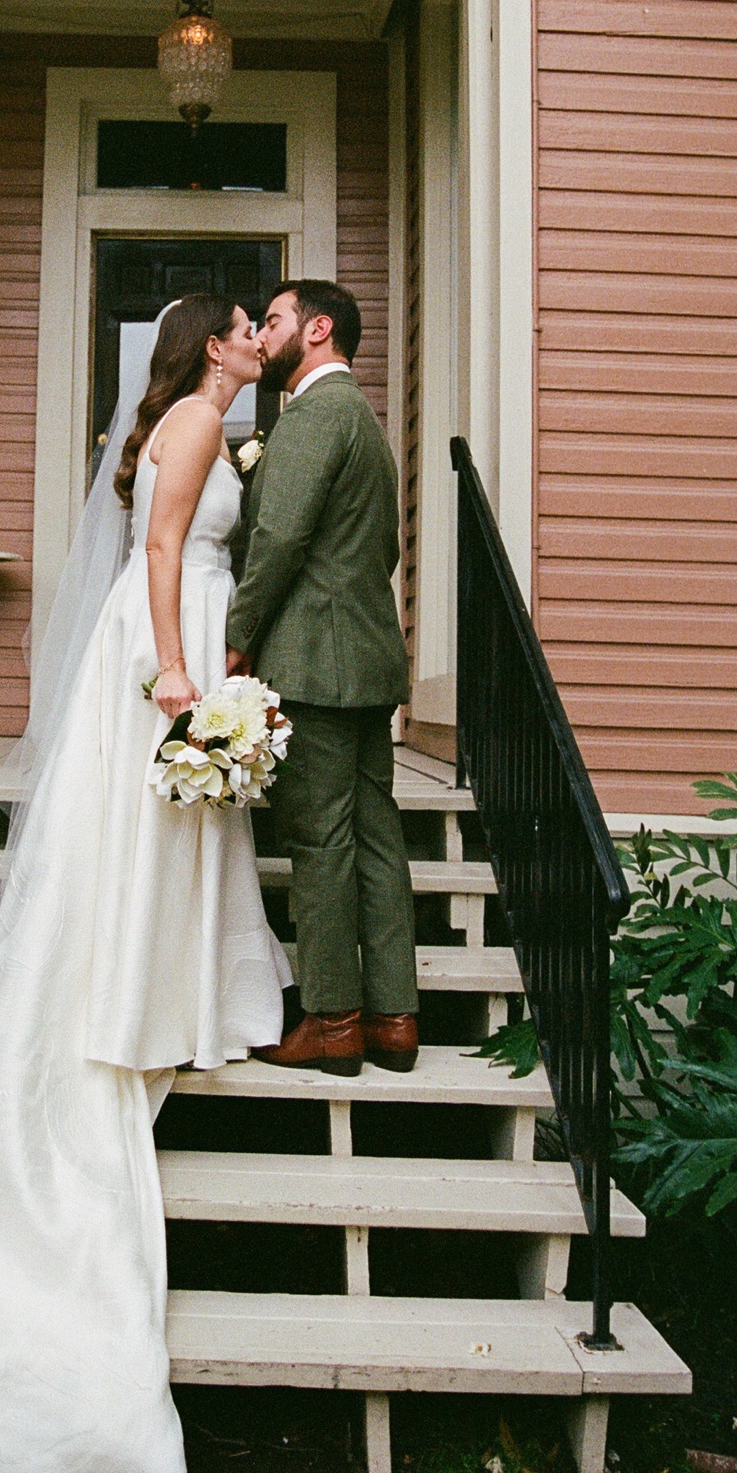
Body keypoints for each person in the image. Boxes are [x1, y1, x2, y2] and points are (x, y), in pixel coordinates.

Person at [0, 296, 289, 1473]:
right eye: (244, 324)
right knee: (152, 822)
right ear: (203, 347)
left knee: (172, 833)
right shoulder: (194, 420)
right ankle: (137, 988)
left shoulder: (210, 418)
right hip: (163, 643)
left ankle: (173, 980)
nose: (256, 336)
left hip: (180, 636)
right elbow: (161, 547)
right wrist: (183, 673)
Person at [225, 280, 418, 1078]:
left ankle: (334, 1021)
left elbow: (276, 537)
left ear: (319, 328)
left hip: (314, 663)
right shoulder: (366, 423)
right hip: (368, 660)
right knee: (376, 838)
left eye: (272, 320)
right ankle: (394, 1017)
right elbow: (384, 554)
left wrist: (238, 639)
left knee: (320, 840)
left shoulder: (311, 414)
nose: (263, 335)